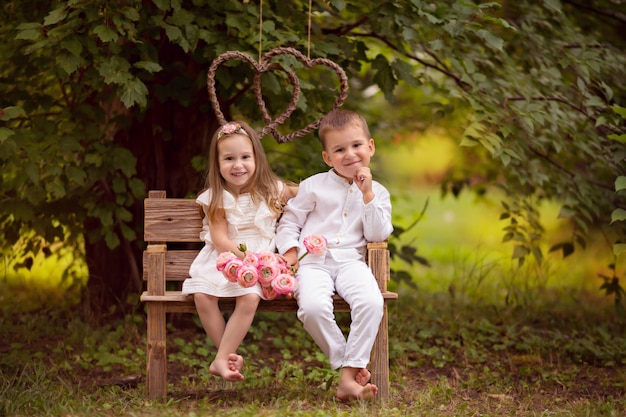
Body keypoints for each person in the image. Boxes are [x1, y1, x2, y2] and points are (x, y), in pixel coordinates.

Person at [276, 109, 393, 401]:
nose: (350, 154)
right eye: (340, 149)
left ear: (370, 147)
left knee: (371, 302)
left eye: (356, 146)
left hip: (351, 263)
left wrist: (367, 195)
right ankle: (348, 368)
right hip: (312, 264)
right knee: (313, 308)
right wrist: (291, 253)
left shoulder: (378, 193)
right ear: (328, 157)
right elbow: (289, 221)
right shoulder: (313, 186)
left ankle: (348, 373)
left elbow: (378, 234)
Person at [182, 120, 297, 382]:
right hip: (225, 259)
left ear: (257, 158)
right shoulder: (216, 197)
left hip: (258, 265)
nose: (238, 165)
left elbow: (308, 193)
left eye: (245, 157)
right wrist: (246, 256)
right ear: (217, 163)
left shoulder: (272, 190)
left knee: (250, 297)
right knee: (202, 296)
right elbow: (220, 239)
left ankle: (222, 359)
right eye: (229, 158)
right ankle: (226, 356)